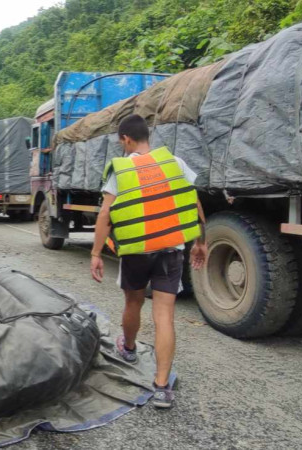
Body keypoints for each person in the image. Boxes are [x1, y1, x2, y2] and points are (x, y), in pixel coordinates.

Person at [89, 114, 207, 410]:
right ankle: (162, 387)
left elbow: (106, 214)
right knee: (164, 316)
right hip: (170, 249)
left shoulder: (121, 169)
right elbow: (192, 202)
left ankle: (128, 349)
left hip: (136, 252)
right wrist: (200, 241)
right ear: (147, 136)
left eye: (121, 142)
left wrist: (95, 253)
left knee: (133, 303)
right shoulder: (175, 163)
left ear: (126, 139)